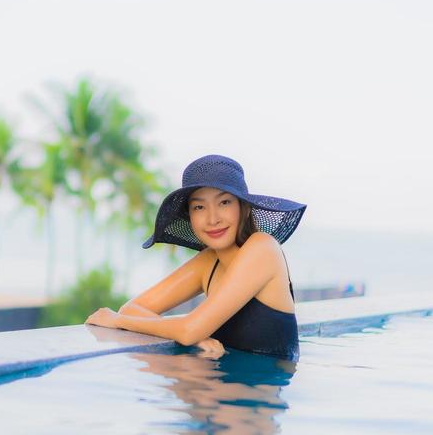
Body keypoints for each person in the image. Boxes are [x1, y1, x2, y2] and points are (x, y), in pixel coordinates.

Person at [85, 154, 307, 360]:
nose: (212, 219)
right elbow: (133, 308)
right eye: (199, 207)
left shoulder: (263, 248)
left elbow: (182, 329)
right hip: (223, 387)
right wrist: (194, 334)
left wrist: (119, 321)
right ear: (190, 216)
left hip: (266, 390)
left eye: (224, 202)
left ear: (244, 208)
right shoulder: (209, 262)